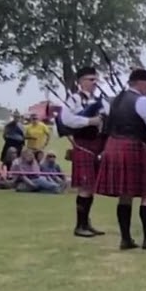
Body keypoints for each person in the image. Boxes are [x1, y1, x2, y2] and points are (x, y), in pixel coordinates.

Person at [94, 69, 146, 250]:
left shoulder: (116, 100)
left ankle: (126, 239)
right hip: (134, 146)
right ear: (142, 83)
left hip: (113, 145)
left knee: (125, 194)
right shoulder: (143, 101)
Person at [57, 66, 107, 238]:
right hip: (83, 145)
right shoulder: (74, 99)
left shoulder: (99, 100)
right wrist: (89, 121)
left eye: (95, 80)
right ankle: (80, 226)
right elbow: (67, 120)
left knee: (91, 187)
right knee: (85, 188)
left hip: (97, 145)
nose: (94, 83)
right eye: (90, 80)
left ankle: (86, 222)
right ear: (81, 82)